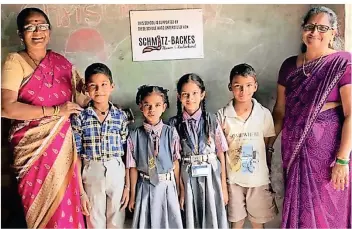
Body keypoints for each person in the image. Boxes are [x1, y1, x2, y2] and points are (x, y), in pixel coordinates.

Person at [1, 7, 89, 228]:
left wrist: (95, 91)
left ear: (49, 32)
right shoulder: (14, 61)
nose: (37, 31)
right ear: (21, 34)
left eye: (42, 26)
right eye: (30, 27)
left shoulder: (62, 64)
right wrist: (56, 111)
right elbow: (6, 108)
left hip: (62, 149)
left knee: (66, 211)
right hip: (31, 151)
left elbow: (80, 101)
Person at [269, 6, 351, 228]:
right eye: (310, 26)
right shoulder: (289, 66)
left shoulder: (342, 62)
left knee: (328, 211)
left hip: (329, 157)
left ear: (334, 33)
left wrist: (342, 160)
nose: (315, 32)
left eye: (323, 27)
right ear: (302, 30)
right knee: (300, 212)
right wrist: (267, 143)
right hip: (295, 152)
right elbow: (280, 111)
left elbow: (351, 114)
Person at [217, 64, 278, 229]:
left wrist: (266, 171)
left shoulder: (263, 114)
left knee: (258, 223)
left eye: (248, 85)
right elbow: (220, 150)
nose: (243, 91)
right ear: (230, 87)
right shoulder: (222, 116)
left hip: (258, 180)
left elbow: (266, 145)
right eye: (238, 86)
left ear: (255, 86)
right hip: (233, 180)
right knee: (236, 222)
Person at [71, 63, 130, 228]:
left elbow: (127, 153)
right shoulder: (80, 118)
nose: (99, 90)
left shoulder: (121, 116)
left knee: (116, 221)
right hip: (91, 171)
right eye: (93, 86)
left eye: (104, 84)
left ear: (112, 86)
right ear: (85, 88)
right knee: (94, 221)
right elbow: (77, 155)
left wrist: (127, 186)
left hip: (116, 170)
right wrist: (81, 192)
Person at [169, 73, 229, 229]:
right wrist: (180, 188)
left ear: (203, 94)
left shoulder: (212, 119)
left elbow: (221, 153)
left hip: (211, 174)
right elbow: (174, 160)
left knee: (212, 214)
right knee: (190, 214)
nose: (190, 98)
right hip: (187, 175)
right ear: (178, 96)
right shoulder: (174, 124)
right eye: (185, 94)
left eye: (195, 93)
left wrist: (223, 186)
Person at [127, 85, 183, 229]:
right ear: (141, 107)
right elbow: (132, 168)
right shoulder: (134, 136)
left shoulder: (171, 132)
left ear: (164, 107)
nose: (152, 109)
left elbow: (176, 163)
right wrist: (133, 195)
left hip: (167, 186)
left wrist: (179, 189)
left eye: (157, 105)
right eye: (147, 105)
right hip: (145, 186)